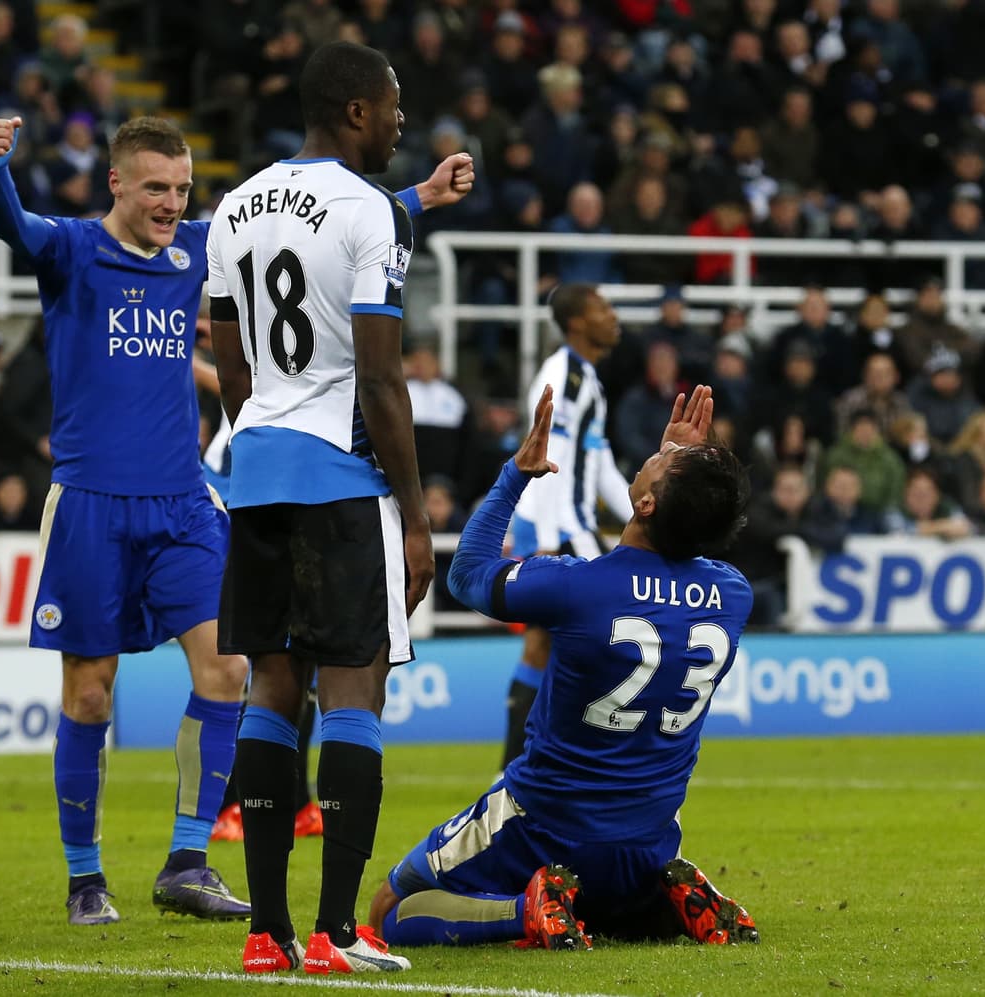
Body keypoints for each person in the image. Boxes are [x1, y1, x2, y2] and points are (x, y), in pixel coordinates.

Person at [0, 108, 472, 929]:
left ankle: (187, 858)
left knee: (229, 671)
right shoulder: (69, 249)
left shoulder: (198, 249)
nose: (172, 203)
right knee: (91, 693)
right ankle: (84, 876)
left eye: (181, 188)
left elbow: (301, 234)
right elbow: (10, 225)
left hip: (183, 501)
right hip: (92, 502)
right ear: (116, 183)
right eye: (155, 189)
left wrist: (416, 195)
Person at [207, 41, 473, 976]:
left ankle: (265, 936)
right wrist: (413, 513)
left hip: (258, 468)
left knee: (272, 691)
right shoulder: (367, 211)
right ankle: (336, 932)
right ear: (356, 110)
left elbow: (231, 359)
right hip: (341, 478)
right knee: (356, 689)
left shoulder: (233, 208)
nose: (403, 121)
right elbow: (382, 375)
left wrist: (263, 433)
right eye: (394, 106)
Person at [367, 385, 759, 951]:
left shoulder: (579, 588)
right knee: (603, 903)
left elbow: (467, 572)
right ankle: (662, 906)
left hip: (545, 822)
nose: (660, 452)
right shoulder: (733, 595)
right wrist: (687, 471)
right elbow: (693, 534)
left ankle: (522, 913)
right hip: (648, 842)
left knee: (388, 912)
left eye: (666, 462)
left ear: (647, 503)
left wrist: (516, 474)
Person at [505, 284, 633, 773]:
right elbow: (545, 460)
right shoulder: (563, 376)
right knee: (546, 643)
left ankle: (551, 759)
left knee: (574, 641)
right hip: (555, 528)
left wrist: (645, 515)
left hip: (576, 530)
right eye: (602, 307)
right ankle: (517, 766)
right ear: (577, 322)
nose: (612, 315)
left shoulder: (588, 380)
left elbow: (599, 467)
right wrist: (550, 542)